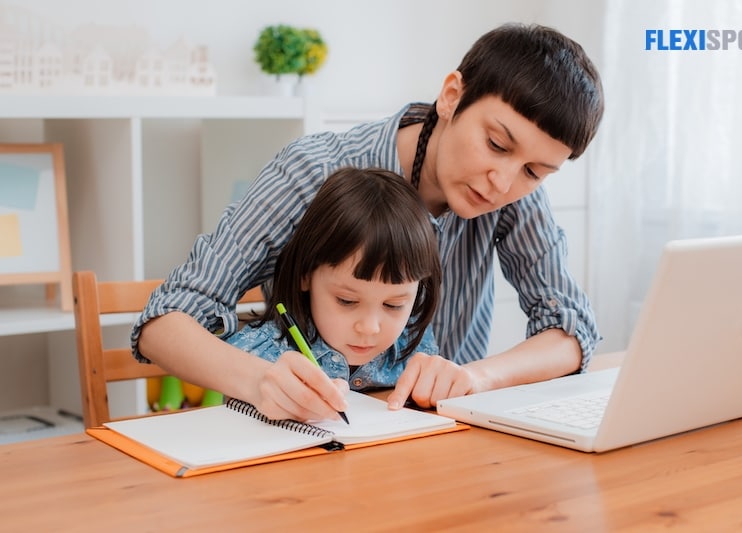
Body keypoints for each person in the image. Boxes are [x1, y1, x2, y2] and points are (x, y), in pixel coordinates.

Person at [134, 22, 604, 422]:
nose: (503, 182)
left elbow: (572, 330)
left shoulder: (511, 191)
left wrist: (474, 377)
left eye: (535, 172)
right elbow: (163, 322)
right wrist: (260, 379)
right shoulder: (313, 172)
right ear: (451, 96)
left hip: (429, 442)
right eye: (497, 144)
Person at [225, 167, 442, 421]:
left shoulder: (414, 344)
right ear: (306, 274)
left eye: (394, 305)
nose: (369, 327)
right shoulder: (262, 352)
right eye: (347, 301)